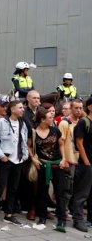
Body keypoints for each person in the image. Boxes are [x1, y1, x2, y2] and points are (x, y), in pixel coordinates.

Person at [0, 100, 28, 226]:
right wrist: (1, 156)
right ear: (12, 109)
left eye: (23, 107)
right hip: (6, 160)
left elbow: (24, 141)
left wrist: (25, 156)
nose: (23, 109)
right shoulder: (1, 122)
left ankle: (8, 214)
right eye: (20, 107)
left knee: (13, 188)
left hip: (18, 160)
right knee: (0, 187)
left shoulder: (23, 123)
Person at [31, 108, 68, 232]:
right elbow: (29, 146)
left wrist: (64, 159)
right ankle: (42, 217)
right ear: (42, 119)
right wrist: (33, 159)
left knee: (60, 192)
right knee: (42, 192)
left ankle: (61, 219)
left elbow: (61, 144)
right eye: (50, 117)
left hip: (57, 165)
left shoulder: (55, 130)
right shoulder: (34, 132)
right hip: (43, 165)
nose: (53, 118)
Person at [72, 97, 92, 232]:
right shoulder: (84, 122)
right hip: (86, 164)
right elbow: (79, 143)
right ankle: (78, 220)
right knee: (82, 193)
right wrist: (86, 162)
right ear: (90, 107)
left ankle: (90, 218)